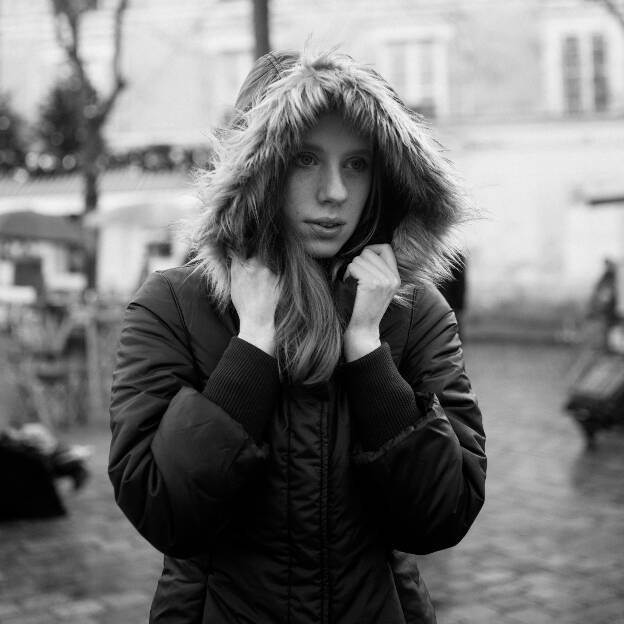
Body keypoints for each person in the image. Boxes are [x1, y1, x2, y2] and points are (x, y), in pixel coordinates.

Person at [109, 50, 486, 624]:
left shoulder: (413, 311)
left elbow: (442, 515)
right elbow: (166, 512)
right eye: (305, 158)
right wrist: (253, 344)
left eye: (357, 164)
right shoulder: (173, 307)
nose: (334, 191)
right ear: (256, 170)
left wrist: (367, 349)